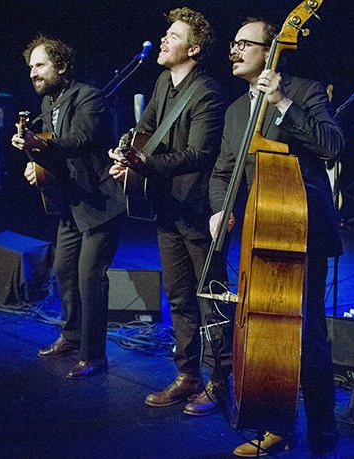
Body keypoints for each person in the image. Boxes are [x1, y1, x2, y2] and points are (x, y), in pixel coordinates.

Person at [209, 18, 344, 458]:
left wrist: (282, 101)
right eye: (234, 43)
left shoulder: (304, 91)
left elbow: (332, 145)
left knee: (309, 340)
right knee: (268, 338)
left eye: (245, 43)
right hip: (261, 235)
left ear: (271, 52)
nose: (235, 50)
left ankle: (324, 438)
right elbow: (224, 173)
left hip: (304, 233)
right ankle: (274, 426)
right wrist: (220, 209)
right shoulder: (233, 112)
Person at [108, 7, 231, 415]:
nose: (164, 40)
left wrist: (146, 164)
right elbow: (146, 130)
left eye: (173, 36)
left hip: (197, 210)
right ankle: (187, 376)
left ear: (193, 48)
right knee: (178, 298)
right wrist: (126, 154)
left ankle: (218, 382)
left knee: (209, 300)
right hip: (167, 208)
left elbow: (199, 154)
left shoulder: (208, 92)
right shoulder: (163, 81)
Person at [11, 35, 126, 379]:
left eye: (41, 65)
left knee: (90, 276)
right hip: (72, 205)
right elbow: (49, 150)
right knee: (63, 268)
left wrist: (38, 146)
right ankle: (73, 334)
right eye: (31, 66)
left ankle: (94, 355)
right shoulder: (49, 104)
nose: (34, 72)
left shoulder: (88, 96)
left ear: (61, 67)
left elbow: (80, 140)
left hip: (101, 203)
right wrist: (34, 160)